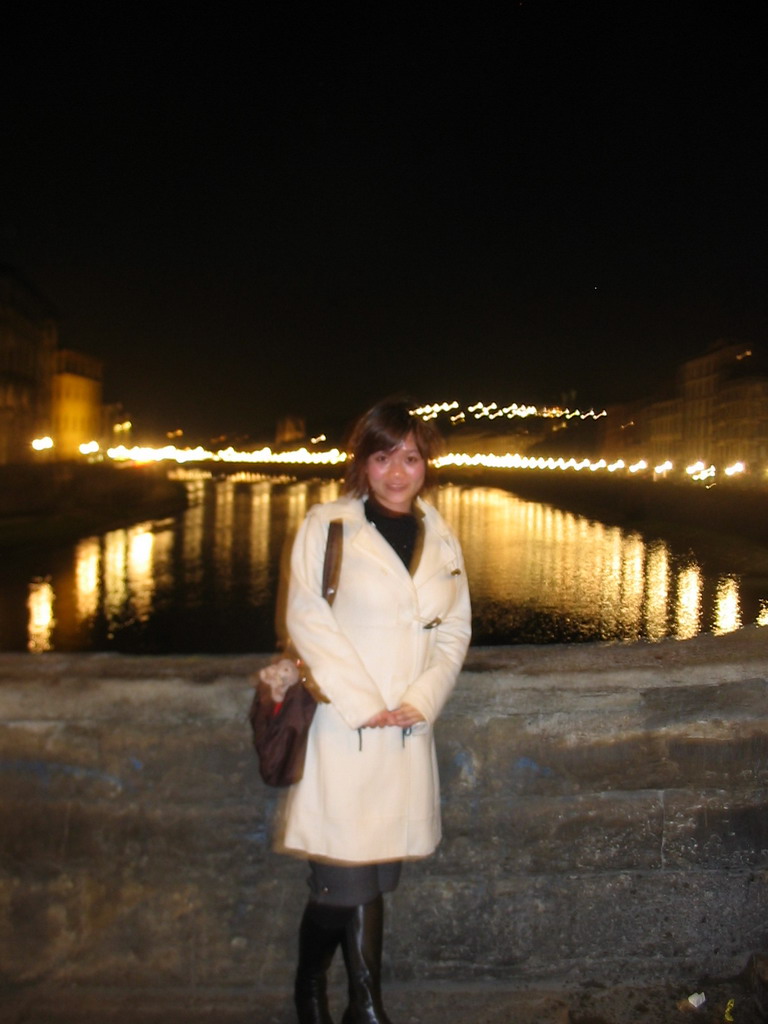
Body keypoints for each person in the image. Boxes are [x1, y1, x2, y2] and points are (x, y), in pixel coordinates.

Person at [277, 397, 472, 1024]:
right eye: (383, 455)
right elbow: (306, 618)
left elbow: (454, 630)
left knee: (370, 876)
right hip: (342, 729)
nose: (396, 471)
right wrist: (366, 705)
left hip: (405, 731)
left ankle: (357, 1003)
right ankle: (324, 994)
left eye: (410, 457)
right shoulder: (327, 524)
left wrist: (420, 700)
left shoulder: (439, 534)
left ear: (426, 465)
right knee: (343, 880)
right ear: (362, 463)